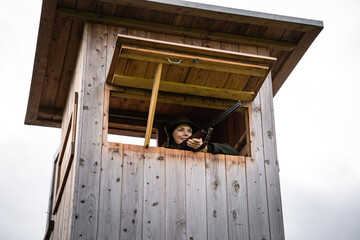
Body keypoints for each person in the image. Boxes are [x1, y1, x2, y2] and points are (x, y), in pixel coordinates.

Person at [163, 116, 239, 156]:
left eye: (189, 131)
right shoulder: (164, 151)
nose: (186, 134)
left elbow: (234, 153)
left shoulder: (199, 148)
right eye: (181, 130)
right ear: (172, 134)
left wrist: (204, 147)